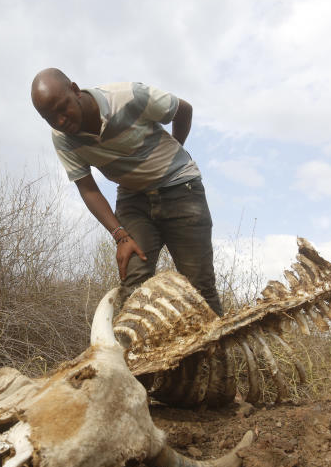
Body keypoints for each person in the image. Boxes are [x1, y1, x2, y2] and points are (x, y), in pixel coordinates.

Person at [31, 68, 223, 316]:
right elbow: (87, 188)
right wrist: (120, 235)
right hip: (134, 200)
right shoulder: (62, 138)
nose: (59, 121)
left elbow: (183, 110)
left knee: (200, 289)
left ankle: (220, 355)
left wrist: (174, 151)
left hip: (181, 190)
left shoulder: (130, 96)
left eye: (62, 108)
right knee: (133, 287)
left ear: (75, 91)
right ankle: (136, 355)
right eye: (49, 117)